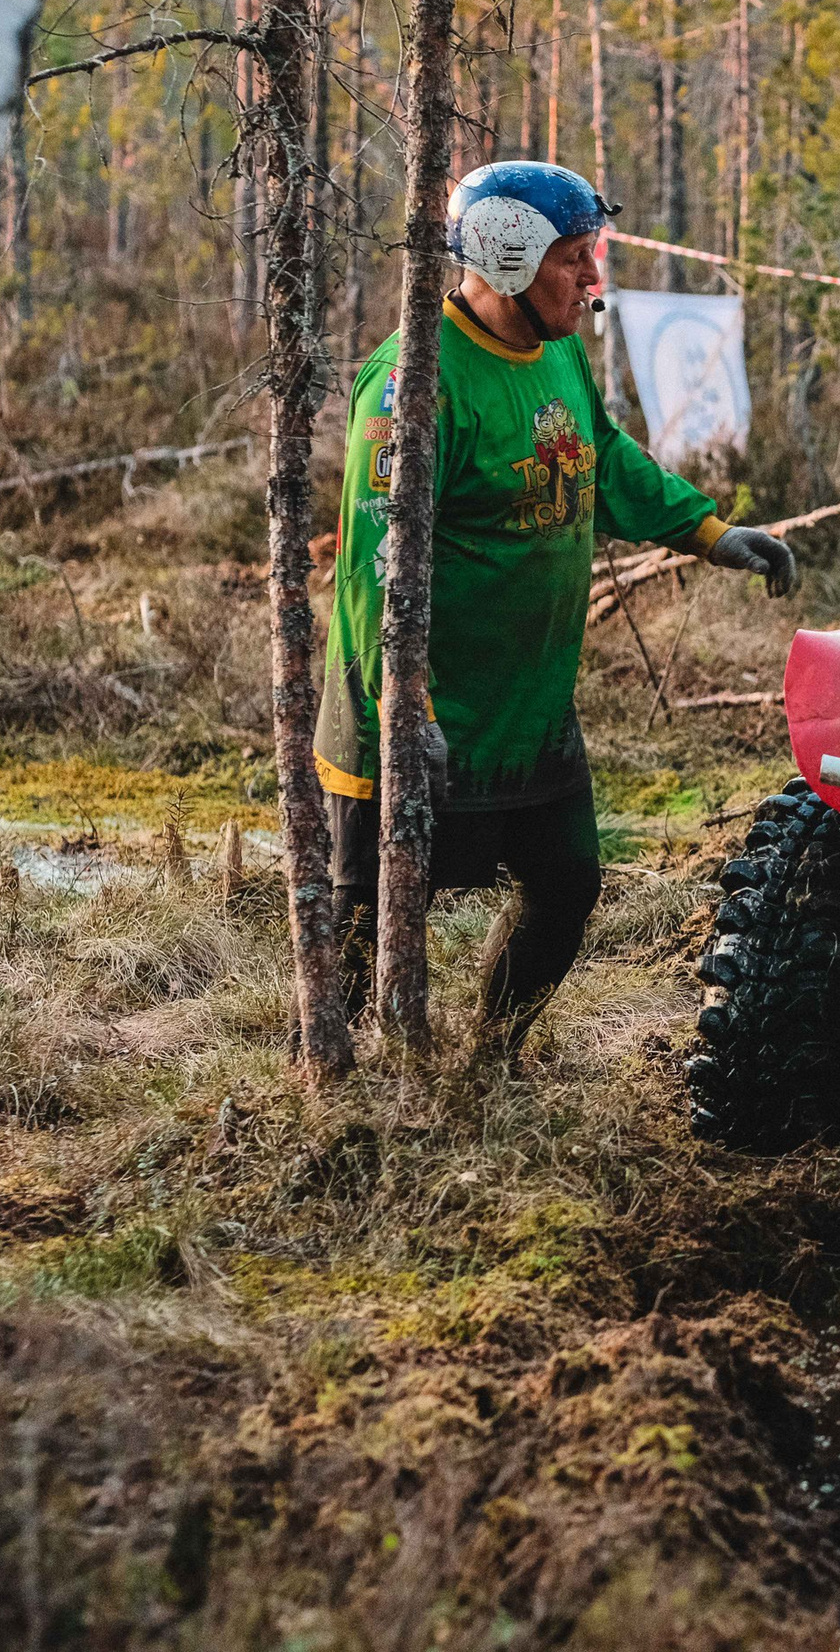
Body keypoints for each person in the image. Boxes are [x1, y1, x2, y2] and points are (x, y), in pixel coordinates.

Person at [315, 160, 796, 1060]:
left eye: (593, 256)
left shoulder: (560, 346)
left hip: (528, 714)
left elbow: (602, 457)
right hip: (418, 719)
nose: (593, 281)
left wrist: (710, 532)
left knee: (568, 885)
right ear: (506, 260)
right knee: (364, 916)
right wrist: (402, 708)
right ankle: (331, 1087)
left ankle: (486, 1063)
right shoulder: (410, 386)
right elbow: (371, 572)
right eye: (574, 260)